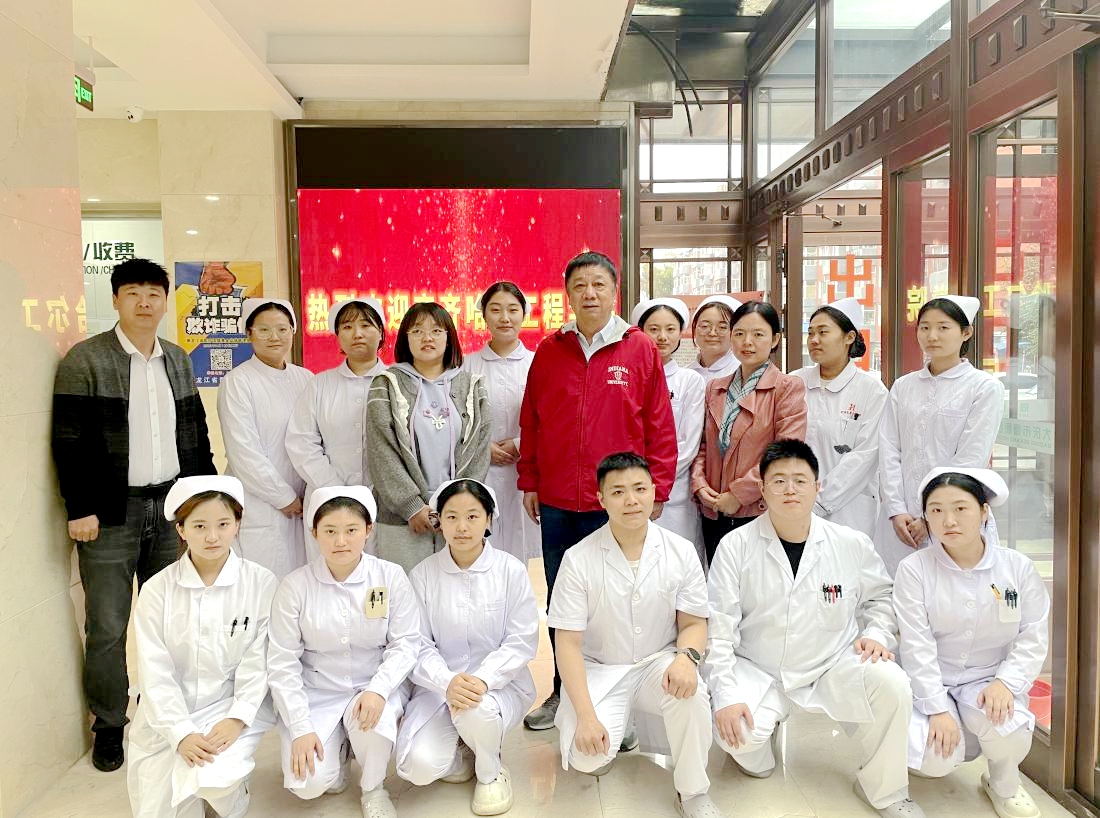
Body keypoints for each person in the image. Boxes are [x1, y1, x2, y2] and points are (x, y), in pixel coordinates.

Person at [51, 258, 216, 772]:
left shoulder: (177, 359)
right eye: (133, 293)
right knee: (108, 625)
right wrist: (80, 508)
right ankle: (108, 725)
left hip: (171, 509)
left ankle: (173, 716)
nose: (144, 303)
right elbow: (68, 442)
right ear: (116, 300)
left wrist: (206, 500)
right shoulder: (86, 359)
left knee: (176, 620)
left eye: (153, 294)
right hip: (109, 515)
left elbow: (195, 433)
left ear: (165, 301)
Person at [706, 439, 925, 818]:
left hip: (831, 665)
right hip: (759, 667)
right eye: (779, 481)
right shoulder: (735, 546)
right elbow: (719, 629)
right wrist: (725, 695)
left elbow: (883, 597)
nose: (790, 489)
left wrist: (876, 633)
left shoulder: (850, 543)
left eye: (799, 480)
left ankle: (885, 791)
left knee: (892, 682)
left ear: (816, 487)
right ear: (762, 489)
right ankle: (761, 744)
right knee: (739, 740)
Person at [518, 251, 678, 730]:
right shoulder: (550, 350)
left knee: (615, 603)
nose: (589, 293)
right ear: (568, 294)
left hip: (616, 503)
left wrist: (657, 489)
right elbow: (532, 420)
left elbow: (659, 424)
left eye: (598, 285)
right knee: (561, 600)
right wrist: (530, 479)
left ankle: (617, 699)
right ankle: (562, 691)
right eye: (580, 285)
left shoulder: (639, 349)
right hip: (558, 501)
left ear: (614, 291)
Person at [548, 453, 722, 818]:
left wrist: (687, 658)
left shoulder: (680, 551)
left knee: (691, 695)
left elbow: (693, 623)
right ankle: (616, 725)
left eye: (639, 489)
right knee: (587, 758)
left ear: (654, 492)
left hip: (658, 664)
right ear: (601, 498)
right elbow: (568, 644)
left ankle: (693, 791)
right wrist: (586, 716)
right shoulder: (578, 559)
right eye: (618, 492)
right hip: (600, 669)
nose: (631, 500)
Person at [895, 468, 1048, 818]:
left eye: (960, 508)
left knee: (1010, 730)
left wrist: (1006, 683)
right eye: (936, 510)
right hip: (932, 678)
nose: (948, 520)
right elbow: (916, 645)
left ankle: (1003, 785)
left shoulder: (1016, 568)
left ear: (984, 511)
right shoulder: (914, 569)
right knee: (935, 758)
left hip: (987, 679)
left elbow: (1033, 633)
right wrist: (936, 709)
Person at [127, 476, 277, 818]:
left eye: (223, 524)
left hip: (229, 707)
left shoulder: (260, 583)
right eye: (199, 526)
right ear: (181, 530)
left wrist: (237, 718)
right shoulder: (157, 591)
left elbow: (259, 663)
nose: (212, 536)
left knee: (215, 781)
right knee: (157, 811)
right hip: (168, 715)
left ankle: (232, 794)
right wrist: (180, 733)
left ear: (237, 524)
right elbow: (155, 672)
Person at [267, 486, 420, 818]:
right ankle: (337, 751)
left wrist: (379, 689)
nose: (340, 541)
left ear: (368, 530)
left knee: (374, 725)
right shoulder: (295, 586)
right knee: (307, 784)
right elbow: (282, 663)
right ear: (314, 533)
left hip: (371, 685)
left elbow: (406, 642)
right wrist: (300, 727)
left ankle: (373, 788)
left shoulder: (389, 576)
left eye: (351, 530)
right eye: (330, 531)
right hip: (317, 691)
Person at [396, 478, 538, 815]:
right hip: (438, 688)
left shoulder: (511, 571)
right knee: (418, 767)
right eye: (452, 517)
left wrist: (483, 680)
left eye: (473, 516)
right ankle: (464, 748)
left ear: (489, 519)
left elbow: (521, 640)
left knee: (477, 709)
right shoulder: (423, 575)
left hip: (498, 686)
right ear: (439, 521)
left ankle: (491, 772)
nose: (462, 527)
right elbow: (417, 643)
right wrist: (447, 682)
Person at [877, 296, 1006, 575]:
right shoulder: (903, 386)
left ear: (966, 332)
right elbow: (889, 450)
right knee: (899, 589)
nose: (932, 336)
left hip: (954, 517)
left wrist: (931, 516)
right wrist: (896, 510)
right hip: (901, 523)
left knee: (957, 588)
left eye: (943, 327)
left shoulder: (983, 388)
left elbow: (970, 459)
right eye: (924, 328)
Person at [367, 302, 491, 572]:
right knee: (406, 592)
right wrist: (412, 506)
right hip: (403, 519)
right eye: (417, 331)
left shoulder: (472, 385)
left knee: (457, 590)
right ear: (405, 338)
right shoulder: (386, 384)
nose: (427, 338)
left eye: (436, 331)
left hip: (458, 518)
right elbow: (381, 452)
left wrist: (457, 505)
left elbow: (480, 451)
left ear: (449, 338)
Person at [691, 300, 807, 563]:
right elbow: (703, 446)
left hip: (758, 510)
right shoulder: (716, 388)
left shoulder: (787, 388)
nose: (747, 342)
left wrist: (738, 495)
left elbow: (785, 451)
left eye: (758, 334)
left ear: (775, 339)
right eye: (740, 333)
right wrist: (700, 485)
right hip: (713, 510)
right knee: (719, 583)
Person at [218, 298, 313, 578]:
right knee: (261, 584)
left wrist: (307, 494)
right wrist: (284, 497)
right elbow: (243, 452)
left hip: (303, 503)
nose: (275, 337)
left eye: (282, 329)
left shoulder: (306, 379)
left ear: (293, 332)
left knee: (301, 584)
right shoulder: (238, 381)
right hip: (260, 503)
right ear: (249, 333)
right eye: (264, 330)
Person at [286, 298, 388, 558]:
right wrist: (335, 488)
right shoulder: (320, 384)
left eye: (366, 325)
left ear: (380, 332)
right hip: (327, 497)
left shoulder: (397, 381)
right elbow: (301, 442)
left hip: (385, 502)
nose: (357, 334)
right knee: (329, 571)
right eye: (347, 327)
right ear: (338, 336)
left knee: (379, 573)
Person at [792, 297, 887, 537]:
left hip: (849, 510)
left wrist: (818, 502)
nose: (814, 340)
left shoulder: (871, 390)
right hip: (794, 503)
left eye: (823, 332)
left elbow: (865, 456)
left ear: (849, 337)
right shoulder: (795, 381)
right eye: (810, 333)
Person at [462, 282, 539, 561]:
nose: (504, 318)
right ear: (484, 315)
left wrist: (521, 443)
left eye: (512, 310)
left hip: (528, 471)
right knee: (484, 547)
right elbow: (456, 420)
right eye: (495, 310)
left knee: (527, 548)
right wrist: (482, 447)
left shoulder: (539, 363)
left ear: (524, 314)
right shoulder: (466, 366)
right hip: (482, 471)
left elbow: (552, 418)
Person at [631, 297, 706, 558]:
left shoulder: (690, 381)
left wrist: (654, 481)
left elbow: (688, 444)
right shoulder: (628, 378)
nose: (662, 337)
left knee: (678, 560)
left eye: (670, 329)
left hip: (675, 493)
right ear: (640, 332)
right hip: (632, 490)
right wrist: (635, 482)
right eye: (654, 329)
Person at [686, 295, 742, 382]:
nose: (712, 333)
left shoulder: (741, 373)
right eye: (705, 326)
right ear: (695, 328)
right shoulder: (685, 374)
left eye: (722, 327)